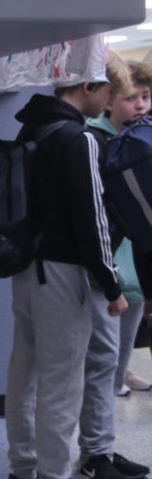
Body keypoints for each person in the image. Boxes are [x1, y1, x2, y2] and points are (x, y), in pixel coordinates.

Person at [0, 56, 129, 479]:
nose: (111, 101)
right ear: (89, 88)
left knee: (25, 372)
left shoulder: (30, 129)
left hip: (26, 269)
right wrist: (110, 285)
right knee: (62, 382)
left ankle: (23, 476)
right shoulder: (77, 138)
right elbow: (91, 219)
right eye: (109, 93)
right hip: (64, 273)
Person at [91, 60, 152, 396]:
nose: (140, 105)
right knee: (99, 359)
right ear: (111, 99)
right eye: (132, 97)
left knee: (119, 355)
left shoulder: (146, 141)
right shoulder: (95, 139)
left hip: (139, 270)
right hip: (108, 269)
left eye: (145, 96)